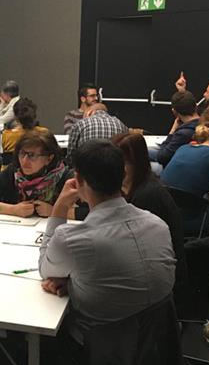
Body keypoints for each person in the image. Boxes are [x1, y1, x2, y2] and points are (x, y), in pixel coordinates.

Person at [38, 140, 177, 346]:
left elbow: (45, 269)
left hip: (98, 350)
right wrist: (77, 284)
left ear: (78, 179)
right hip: (158, 346)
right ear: (123, 175)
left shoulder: (72, 239)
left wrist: (59, 207)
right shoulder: (158, 225)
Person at [111, 133, 186, 302]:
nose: (115, 169)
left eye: (123, 163)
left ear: (136, 163)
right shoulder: (133, 188)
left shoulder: (147, 196)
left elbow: (131, 249)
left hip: (160, 289)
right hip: (151, 277)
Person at [0, 131, 72, 217]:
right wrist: (13, 210)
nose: (24, 161)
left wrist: (55, 211)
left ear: (49, 159)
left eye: (31, 155)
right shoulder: (14, 172)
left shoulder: (65, 177)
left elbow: (82, 212)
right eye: (22, 154)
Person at [153, 90, 200, 167]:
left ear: (174, 112)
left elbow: (162, 157)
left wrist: (172, 131)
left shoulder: (183, 134)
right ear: (196, 106)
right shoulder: (206, 124)